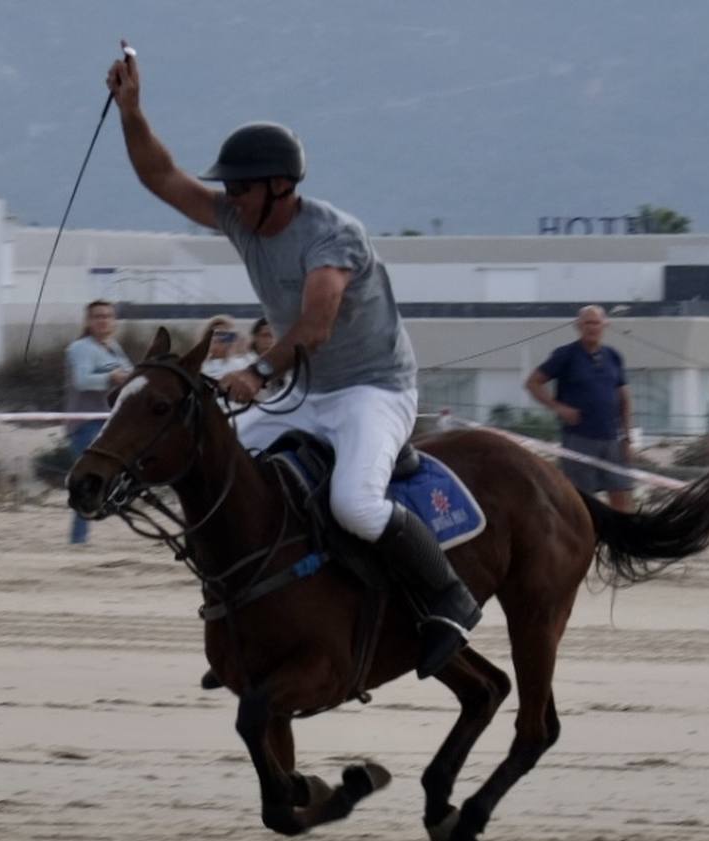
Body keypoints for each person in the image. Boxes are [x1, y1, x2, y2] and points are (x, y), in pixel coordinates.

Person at [106, 51, 479, 679]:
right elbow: (162, 177)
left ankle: (447, 597)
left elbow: (317, 323)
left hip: (372, 391)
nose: (229, 197)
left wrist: (257, 372)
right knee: (220, 468)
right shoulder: (239, 219)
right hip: (307, 390)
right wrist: (132, 111)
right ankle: (241, 613)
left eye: (241, 187)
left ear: (281, 186)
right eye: (227, 187)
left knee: (356, 506)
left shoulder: (333, 236)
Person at [525, 305, 635, 512]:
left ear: (605, 325)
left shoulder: (613, 356)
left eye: (596, 322)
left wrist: (627, 437)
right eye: (587, 323)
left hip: (613, 440)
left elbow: (625, 398)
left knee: (622, 500)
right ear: (578, 326)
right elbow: (533, 383)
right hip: (579, 440)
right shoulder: (565, 355)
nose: (591, 327)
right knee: (582, 503)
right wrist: (558, 408)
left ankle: (622, 544)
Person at [64, 300, 133, 544]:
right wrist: (111, 377)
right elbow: (82, 381)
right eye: (98, 316)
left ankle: (86, 535)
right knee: (88, 483)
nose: (103, 320)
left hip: (109, 424)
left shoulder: (114, 347)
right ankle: (79, 538)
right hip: (86, 422)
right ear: (89, 321)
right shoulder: (79, 348)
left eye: (108, 316)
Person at [198, 314, 249, 381]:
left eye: (224, 335)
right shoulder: (200, 366)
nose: (219, 339)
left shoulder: (241, 364)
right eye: (216, 334)